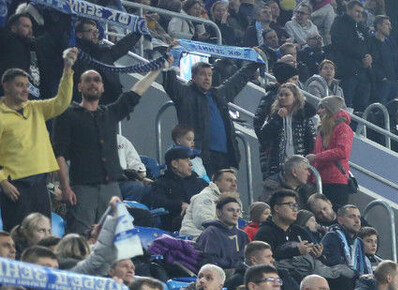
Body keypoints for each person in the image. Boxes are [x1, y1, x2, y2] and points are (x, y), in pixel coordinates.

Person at [53, 61, 165, 234]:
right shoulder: (67, 115)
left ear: (102, 87)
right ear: (79, 87)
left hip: (111, 188)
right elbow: (59, 154)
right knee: (80, 236)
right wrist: (65, 187)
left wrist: (156, 69)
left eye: (97, 80)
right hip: (83, 187)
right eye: (88, 80)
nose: (93, 83)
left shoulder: (109, 113)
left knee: (114, 236)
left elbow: (135, 93)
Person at [0, 48, 77, 230]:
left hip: (40, 184)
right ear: (6, 86)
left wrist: (67, 70)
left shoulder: (36, 108)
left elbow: (62, 102)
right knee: (18, 235)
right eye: (20, 85)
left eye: (27, 85)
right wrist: (2, 182)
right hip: (15, 186)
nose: (25, 90)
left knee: (43, 234)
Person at [161, 55, 261, 175]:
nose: (207, 78)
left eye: (209, 75)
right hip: (200, 155)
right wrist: (168, 65)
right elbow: (170, 84)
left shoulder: (218, 94)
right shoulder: (185, 94)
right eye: (202, 74)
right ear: (193, 76)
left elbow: (238, 80)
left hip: (224, 156)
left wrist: (255, 62)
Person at [309, 95, 355, 209]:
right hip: (320, 179)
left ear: (330, 110)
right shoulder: (322, 129)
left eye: (322, 108)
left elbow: (342, 151)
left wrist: (316, 157)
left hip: (335, 182)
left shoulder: (343, 128)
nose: (318, 111)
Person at [179, 168, 238, 238]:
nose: (234, 184)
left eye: (235, 181)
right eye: (229, 180)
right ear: (216, 183)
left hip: (216, 238)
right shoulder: (205, 197)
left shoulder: (234, 202)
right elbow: (204, 222)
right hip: (196, 239)